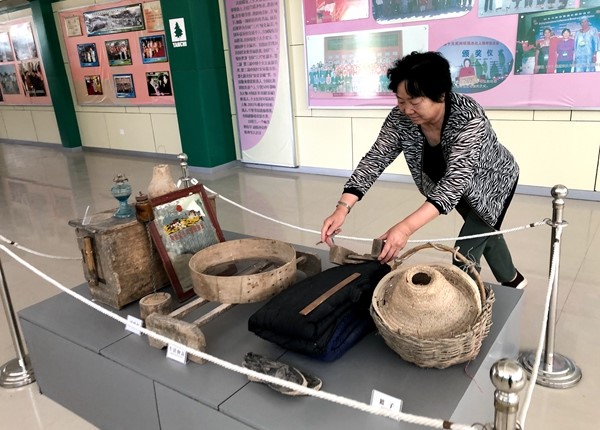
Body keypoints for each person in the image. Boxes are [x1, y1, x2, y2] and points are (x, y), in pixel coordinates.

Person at [320, 51, 526, 289]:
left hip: (491, 183)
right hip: (451, 187)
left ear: (440, 94)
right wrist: (342, 208)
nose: (407, 110)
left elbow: (453, 184)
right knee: (483, 231)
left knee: (465, 251)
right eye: (400, 101)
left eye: (415, 102)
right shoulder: (400, 119)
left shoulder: (469, 119)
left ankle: (467, 303)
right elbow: (375, 158)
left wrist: (405, 228)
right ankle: (513, 280)